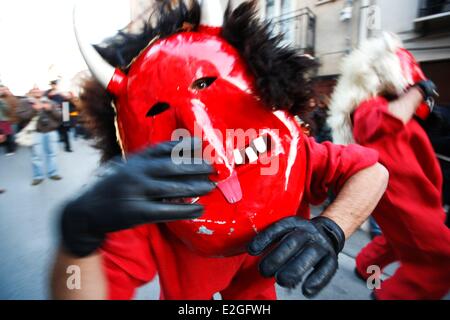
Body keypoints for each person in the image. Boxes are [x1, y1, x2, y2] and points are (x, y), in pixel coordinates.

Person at [51, 0, 388, 300]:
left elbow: (373, 171)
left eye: (205, 84)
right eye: (159, 111)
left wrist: (332, 227)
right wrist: (78, 240)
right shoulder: (152, 201)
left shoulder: (293, 151)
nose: (211, 151)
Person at [328, 33, 450, 300]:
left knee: (394, 243)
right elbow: (384, 121)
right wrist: (418, 92)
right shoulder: (368, 107)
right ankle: (388, 295)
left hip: (414, 198)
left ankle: (366, 270)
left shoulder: (384, 104)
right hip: (404, 200)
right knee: (440, 261)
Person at [16, 95, 63, 185]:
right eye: (34, 88)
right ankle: (38, 176)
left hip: (51, 132)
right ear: (31, 91)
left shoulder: (51, 102)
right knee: (36, 156)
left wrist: (50, 109)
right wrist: (34, 109)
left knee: (52, 154)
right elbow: (21, 116)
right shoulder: (25, 102)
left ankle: (53, 173)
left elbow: (60, 116)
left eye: (38, 88)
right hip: (35, 132)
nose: (36, 90)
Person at [46, 80, 74, 152]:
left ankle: (68, 147)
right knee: (53, 131)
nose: (53, 86)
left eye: (55, 84)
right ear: (51, 85)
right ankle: (52, 147)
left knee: (65, 131)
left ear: (56, 85)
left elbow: (66, 103)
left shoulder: (61, 93)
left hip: (63, 113)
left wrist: (66, 118)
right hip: (53, 114)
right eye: (52, 84)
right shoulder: (49, 93)